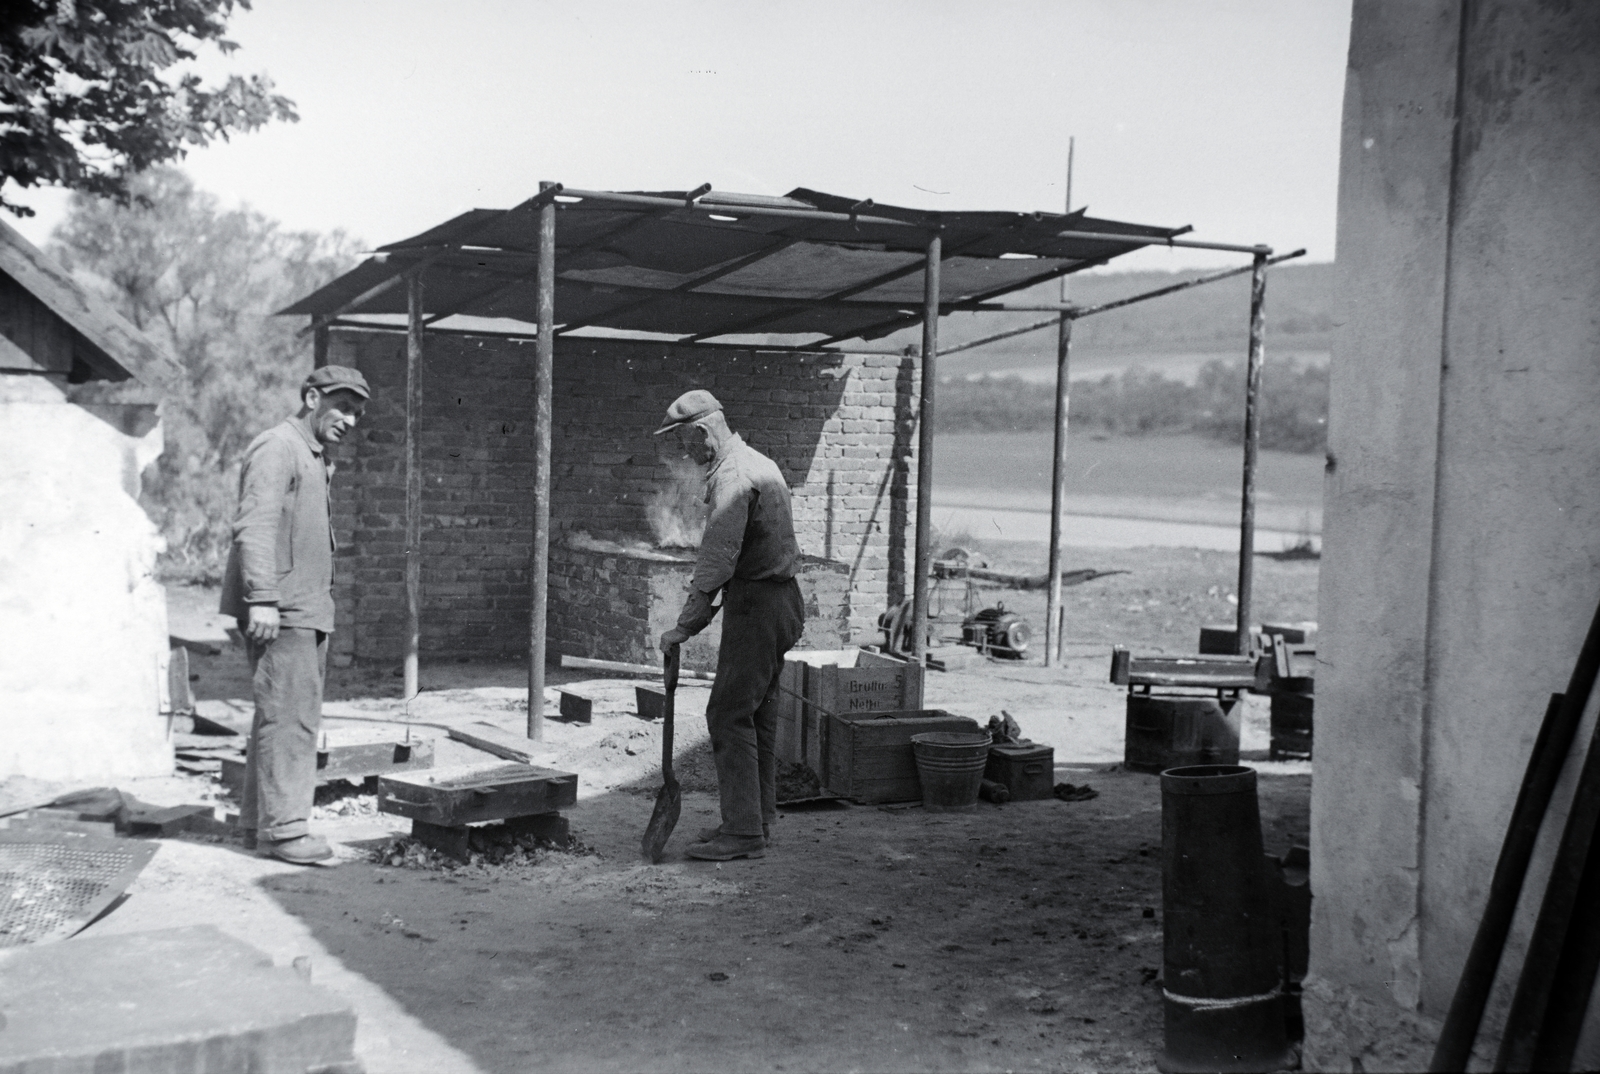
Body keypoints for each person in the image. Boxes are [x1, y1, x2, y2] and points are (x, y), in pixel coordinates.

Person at [220, 365, 370, 864]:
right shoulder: (277, 447)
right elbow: (254, 525)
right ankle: (285, 833)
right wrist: (261, 596)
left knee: (279, 717)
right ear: (312, 398)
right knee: (292, 720)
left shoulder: (310, 455)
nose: (349, 419)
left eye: (356, 412)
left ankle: (257, 827)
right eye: (341, 406)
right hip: (282, 608)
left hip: (300, 605)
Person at [656, 390, 805, 861]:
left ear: (703, 432)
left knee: (725, 714)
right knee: (756, 715)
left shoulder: (734, 478)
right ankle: (755, 821)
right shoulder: (757, 461)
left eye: (685, 442)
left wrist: (684, 626)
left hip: (758, 606)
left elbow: (717, 560)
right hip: (780, 602)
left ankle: (742, 834)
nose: (686, 452)